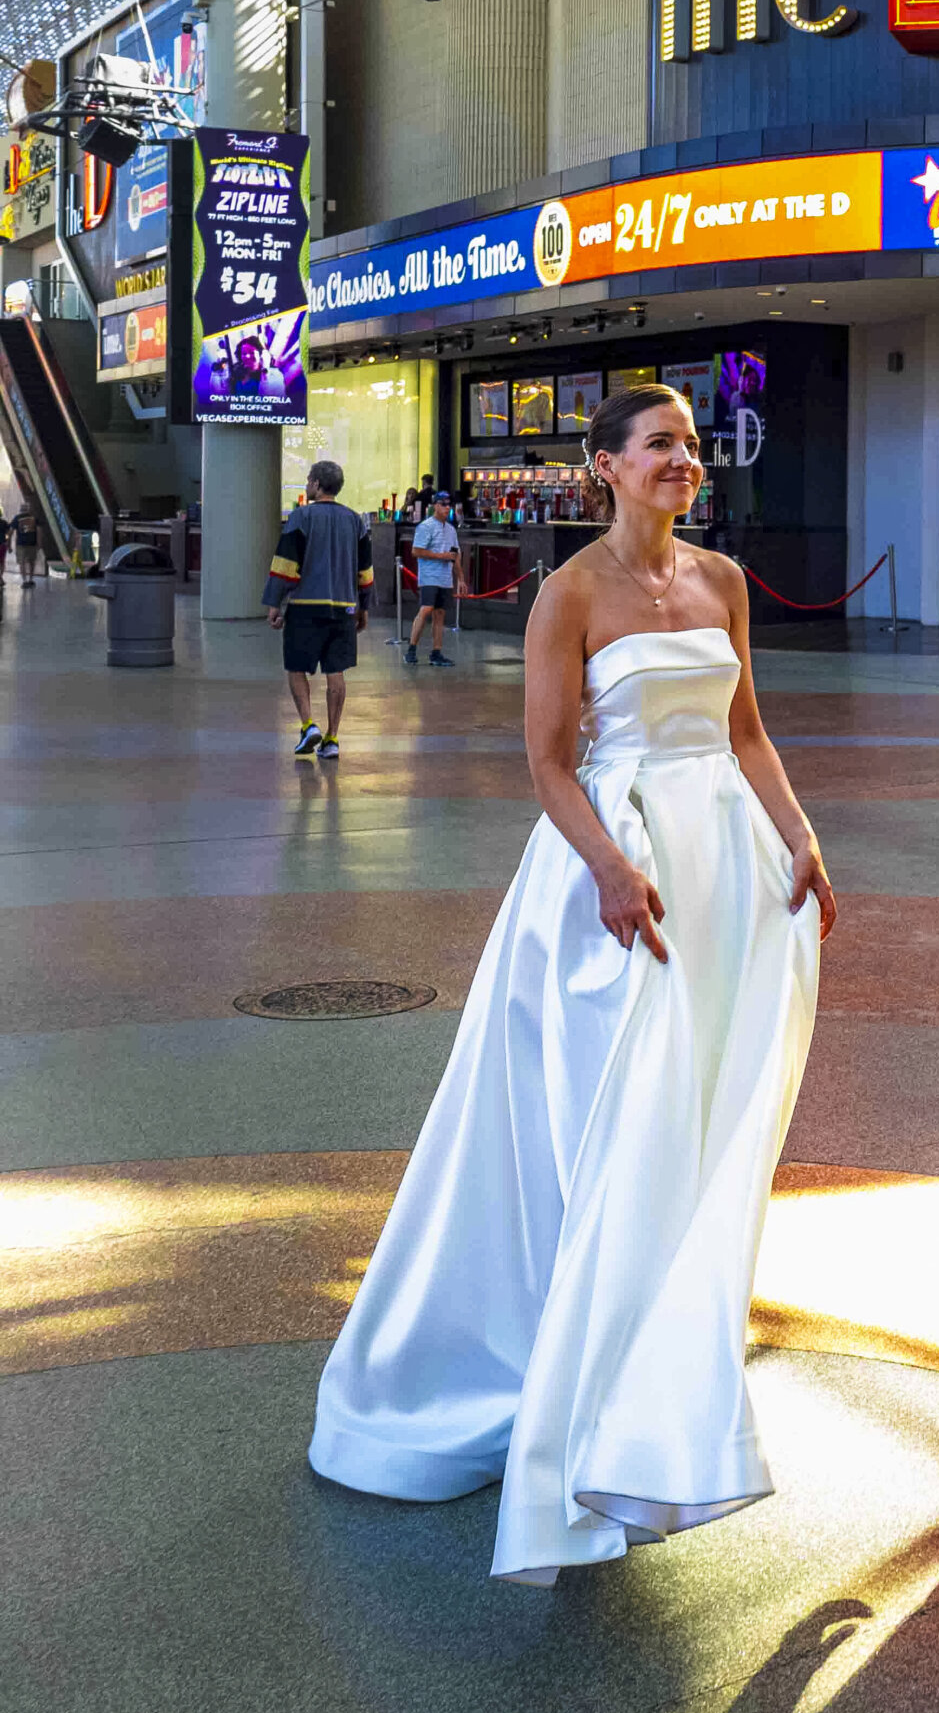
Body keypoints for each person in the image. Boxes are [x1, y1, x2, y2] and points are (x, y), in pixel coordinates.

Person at [308, 384, 836, 1585]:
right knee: (607, 1122)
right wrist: (607, 864)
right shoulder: (567, 593)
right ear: (605, 465)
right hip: (615, 872)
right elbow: (547, 760)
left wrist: (798, 836)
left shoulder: (722, 583)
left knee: (695, 1111)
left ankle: (652, 1355)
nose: (683, 464)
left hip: (720, 872)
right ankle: (571, 1394)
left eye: (692, 449)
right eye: (659, 447)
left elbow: (745, 729)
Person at [265, 460, 372, 763]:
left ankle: (308, 725)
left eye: (309, 480)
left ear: (315, 483)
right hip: (344, 608)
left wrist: (275, 602)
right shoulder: (356, 521)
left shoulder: (302, 517)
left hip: (305, 607)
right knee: (335, 671)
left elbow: (286, 565)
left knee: (297, 667)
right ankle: (332, 737)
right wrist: (363, 608)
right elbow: (366, 571)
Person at [405, 490, 467, 666]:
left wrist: (460, 577)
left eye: (449, 505)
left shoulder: (451, 530)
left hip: (445, 578)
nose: (447, 508)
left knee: (440, 614)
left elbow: (455, 555)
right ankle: (411, 649)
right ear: (435, 506)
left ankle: (436, 651)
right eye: (443, 504)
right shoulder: (425, 527)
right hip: (429, 576)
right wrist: (442, 556)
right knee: (426, 609)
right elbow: (416, 551)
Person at [10, 504, 40, 585]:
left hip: (21, 544)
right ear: (28, 509)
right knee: (32, 562)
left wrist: (8, 544)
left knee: (22, 562)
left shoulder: (17, 518)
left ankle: (24, 581)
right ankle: (30, 579)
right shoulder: (34, 518)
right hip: (32, 543)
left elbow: (11, 531)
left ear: (21, 509)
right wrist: (39, 543)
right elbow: (39, 531)